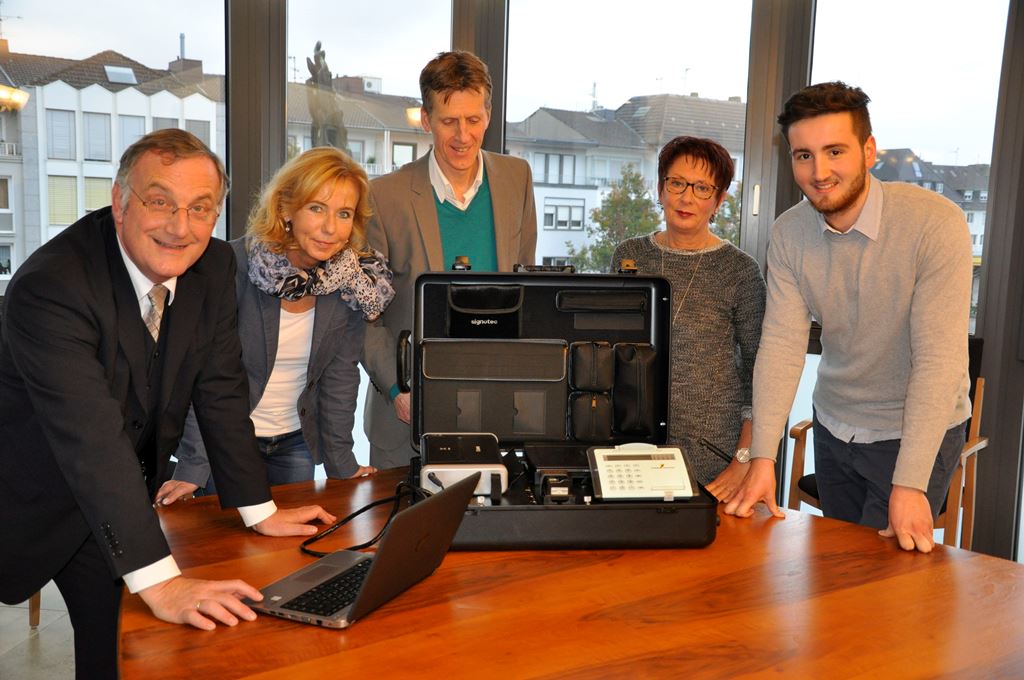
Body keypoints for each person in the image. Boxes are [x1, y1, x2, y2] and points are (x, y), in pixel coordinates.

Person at [0, 129, 337, 678]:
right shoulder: (53, 286)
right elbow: (91, 440)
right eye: (160, 202)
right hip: (36, 484)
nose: (180, 227)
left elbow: (222, 390)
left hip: (117, 495)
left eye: (200, 208)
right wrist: (161, 580)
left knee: (123, 648)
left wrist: (260, 508)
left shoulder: (212, 267)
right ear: (120, 201)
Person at [725, 82, 973, 555]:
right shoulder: (789, 233)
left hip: (913, 428)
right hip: (835, 423)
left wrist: (910, 483)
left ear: (869, 150)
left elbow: (938, 361)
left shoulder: (935, 224)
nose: (819, 172)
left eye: (834, 151)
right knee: (837, 569)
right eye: (804, 156)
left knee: (887, 583)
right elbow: (780, 346)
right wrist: (762, 457)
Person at [156, 147, 392, 505]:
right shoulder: (231, 267)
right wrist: (193, 465)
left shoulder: (349, 281)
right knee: (224, 553)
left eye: (343, 213)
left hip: (295, 443)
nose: (331, 228)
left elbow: (340, 379)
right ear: (285, 209)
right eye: (316, 208)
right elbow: (200, 377)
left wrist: (342, 464)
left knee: (287, 556)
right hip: (225, 443)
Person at [362, 50, 537, 469]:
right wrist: (395, 391)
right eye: (448, 121)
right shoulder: (383, 196)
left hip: (498, 407)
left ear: (488, 116)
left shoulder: (517, 179)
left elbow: (527, 287)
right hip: (406, 413)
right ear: (426, 119)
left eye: (473, 120)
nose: (462, 135)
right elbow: (366, 315)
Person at [612, 136, 765, 500]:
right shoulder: (629, 256)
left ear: (719, 200)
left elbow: (761, 376)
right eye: (677, 183)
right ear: (660, 188)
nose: (686, 197)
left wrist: (743, 459)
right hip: (635, 444)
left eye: (701, 188)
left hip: (713, 456)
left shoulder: (739, 271)